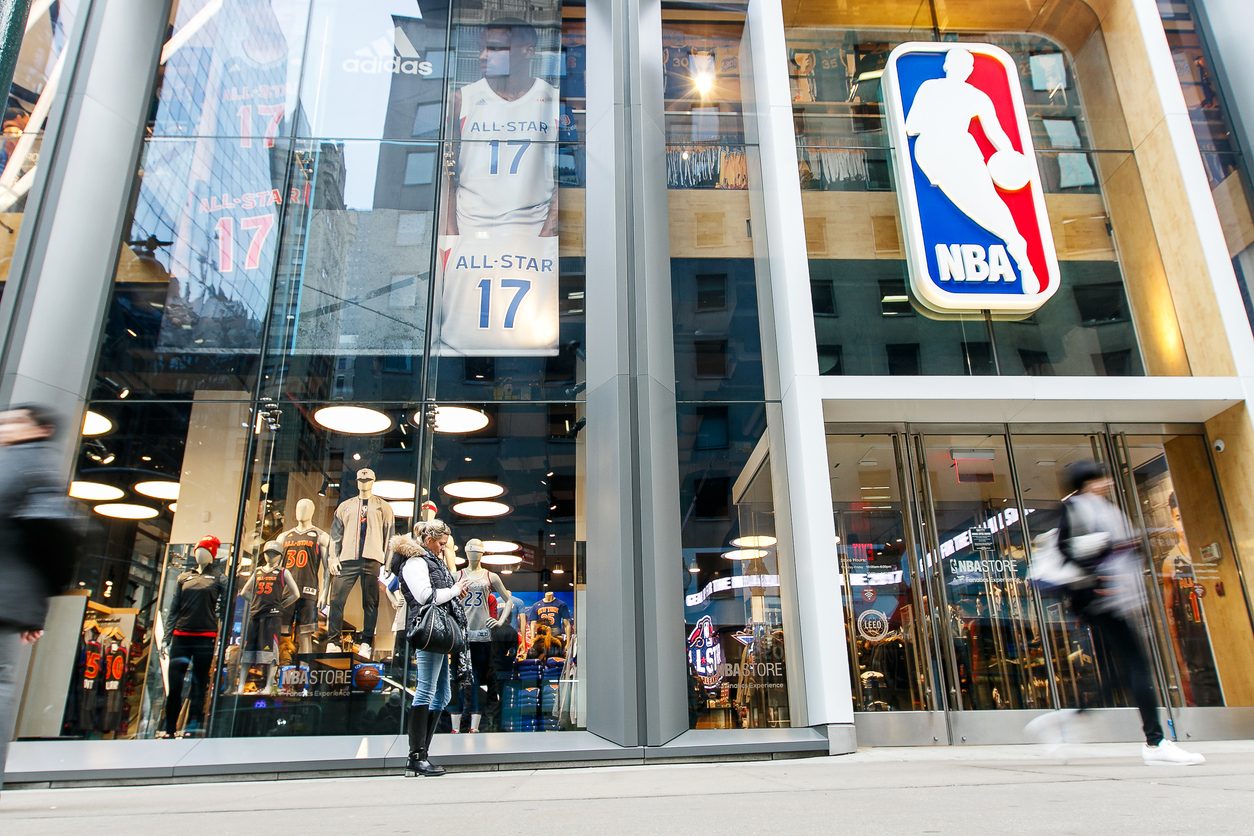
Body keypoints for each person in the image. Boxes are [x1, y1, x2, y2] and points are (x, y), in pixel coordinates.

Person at [1025, 460, 1205, 765]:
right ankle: (1155, 741)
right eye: (1100, 478)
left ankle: (1065, 723)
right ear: (1087, 481)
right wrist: (1098, 580)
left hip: (1116, 601)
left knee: (1125, 674)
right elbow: (1069, 549)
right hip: (1103, 603)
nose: (1106, 482)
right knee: (1138, 666)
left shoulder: (1102, 509)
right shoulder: (1078, 508)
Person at [904, 46, 1038, 291]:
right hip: (942, 151)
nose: (964, 70)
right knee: (983, 202)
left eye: (965, 65)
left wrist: (1008, 156)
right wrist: (1007, 154)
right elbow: (910, 127)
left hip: (945, 149)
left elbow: (912, 126)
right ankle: (1021, 257)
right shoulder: (963, 94)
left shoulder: (939, 89)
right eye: (962, 65)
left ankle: (1022, 259)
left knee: (986, 202)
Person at [0, 404, 66, 793]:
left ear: (40, 429)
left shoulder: (30, 467)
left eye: (14, 420)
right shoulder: (21, 464)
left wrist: (37, 606)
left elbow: (52, 541)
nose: (5, 424)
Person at [391, 519, 469, 777]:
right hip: (428, 632)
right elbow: (426, 596)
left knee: (442, 695)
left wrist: (454, 592)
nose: (442, 548)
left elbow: (437, 593)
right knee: (426, 691)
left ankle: (422, 753)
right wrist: (454, 589)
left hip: (438, 633)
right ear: (427, 540)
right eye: (440, 543)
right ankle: (416, 757)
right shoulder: (415, 562)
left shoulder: (430, 561)